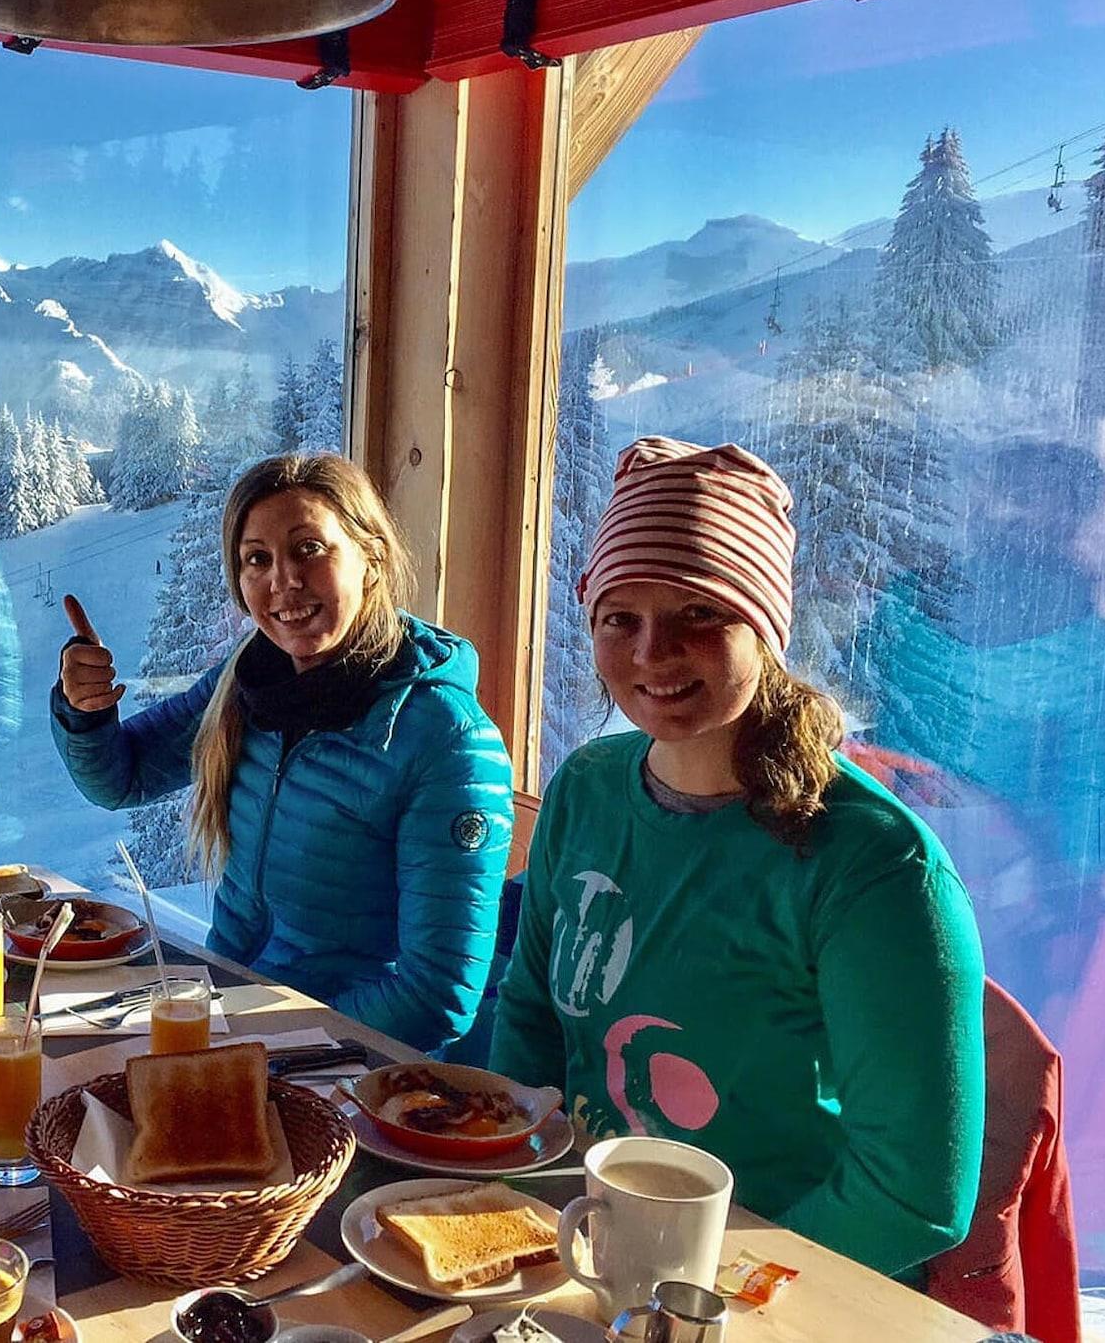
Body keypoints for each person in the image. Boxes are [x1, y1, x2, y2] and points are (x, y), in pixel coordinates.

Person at [489, 436, 985, 1280]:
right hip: (587, 1240)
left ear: (766, 627)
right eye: (620, 617)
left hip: (779, 1283)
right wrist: (516, 1198)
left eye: (700, 613)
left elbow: (911, 1195)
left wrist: (701, 1286)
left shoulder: (875, 865)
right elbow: (531, 1018)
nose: (652, 651)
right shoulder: (587, 788)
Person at [50, 453, 513, 1051]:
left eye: (309, 549)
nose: (284, 580)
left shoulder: (442, 735)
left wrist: (269, 1042)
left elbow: (435, 997)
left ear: (371, 559)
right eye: (257, 559)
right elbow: (122, 778)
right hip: (233, 1019)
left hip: (349, 1070)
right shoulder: (249, 681)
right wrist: (85, 712)